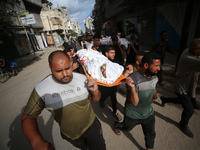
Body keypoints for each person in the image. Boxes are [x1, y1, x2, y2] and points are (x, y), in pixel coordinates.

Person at [21, 51, 106, 150]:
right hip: (71, 136)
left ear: (71, 63)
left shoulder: (82, 79)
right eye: (59, 71)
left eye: (67, 68)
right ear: (50, 68)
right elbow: (28, 117)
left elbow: (95, 99)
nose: (65, 74)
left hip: (92, 128)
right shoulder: (42, 89)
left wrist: (95, 91)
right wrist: (37, 142)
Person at [114, 52, 161, 150]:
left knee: (150, 135)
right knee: (126, 128)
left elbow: (154, 87)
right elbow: (134, 103)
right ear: (146, 65)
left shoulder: (154, 76)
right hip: (133, 115)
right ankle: (117, 125)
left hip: (148, 114)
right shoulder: (133, 79)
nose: (159, 69)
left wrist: (154, 97)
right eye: (156, 66)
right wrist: (132, 87)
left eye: (159, 66)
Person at [160, 38, 200, 138]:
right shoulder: (188, 58)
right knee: (189, 109)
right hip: (182, 87)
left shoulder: (188, 50)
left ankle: (165, 99)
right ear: (196, 50)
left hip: (189, 85)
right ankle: (183, 124)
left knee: (182, 101)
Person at [98, 47, 123, 121]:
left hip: (113, 84)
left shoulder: (115, 62)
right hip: (103, 84)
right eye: (111, 53)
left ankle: (115, 112)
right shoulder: (101, 61)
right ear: (106, 53)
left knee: (113, 97)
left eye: (114, 53)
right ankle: (101, 101)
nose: (113, 54)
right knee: (104, 95)